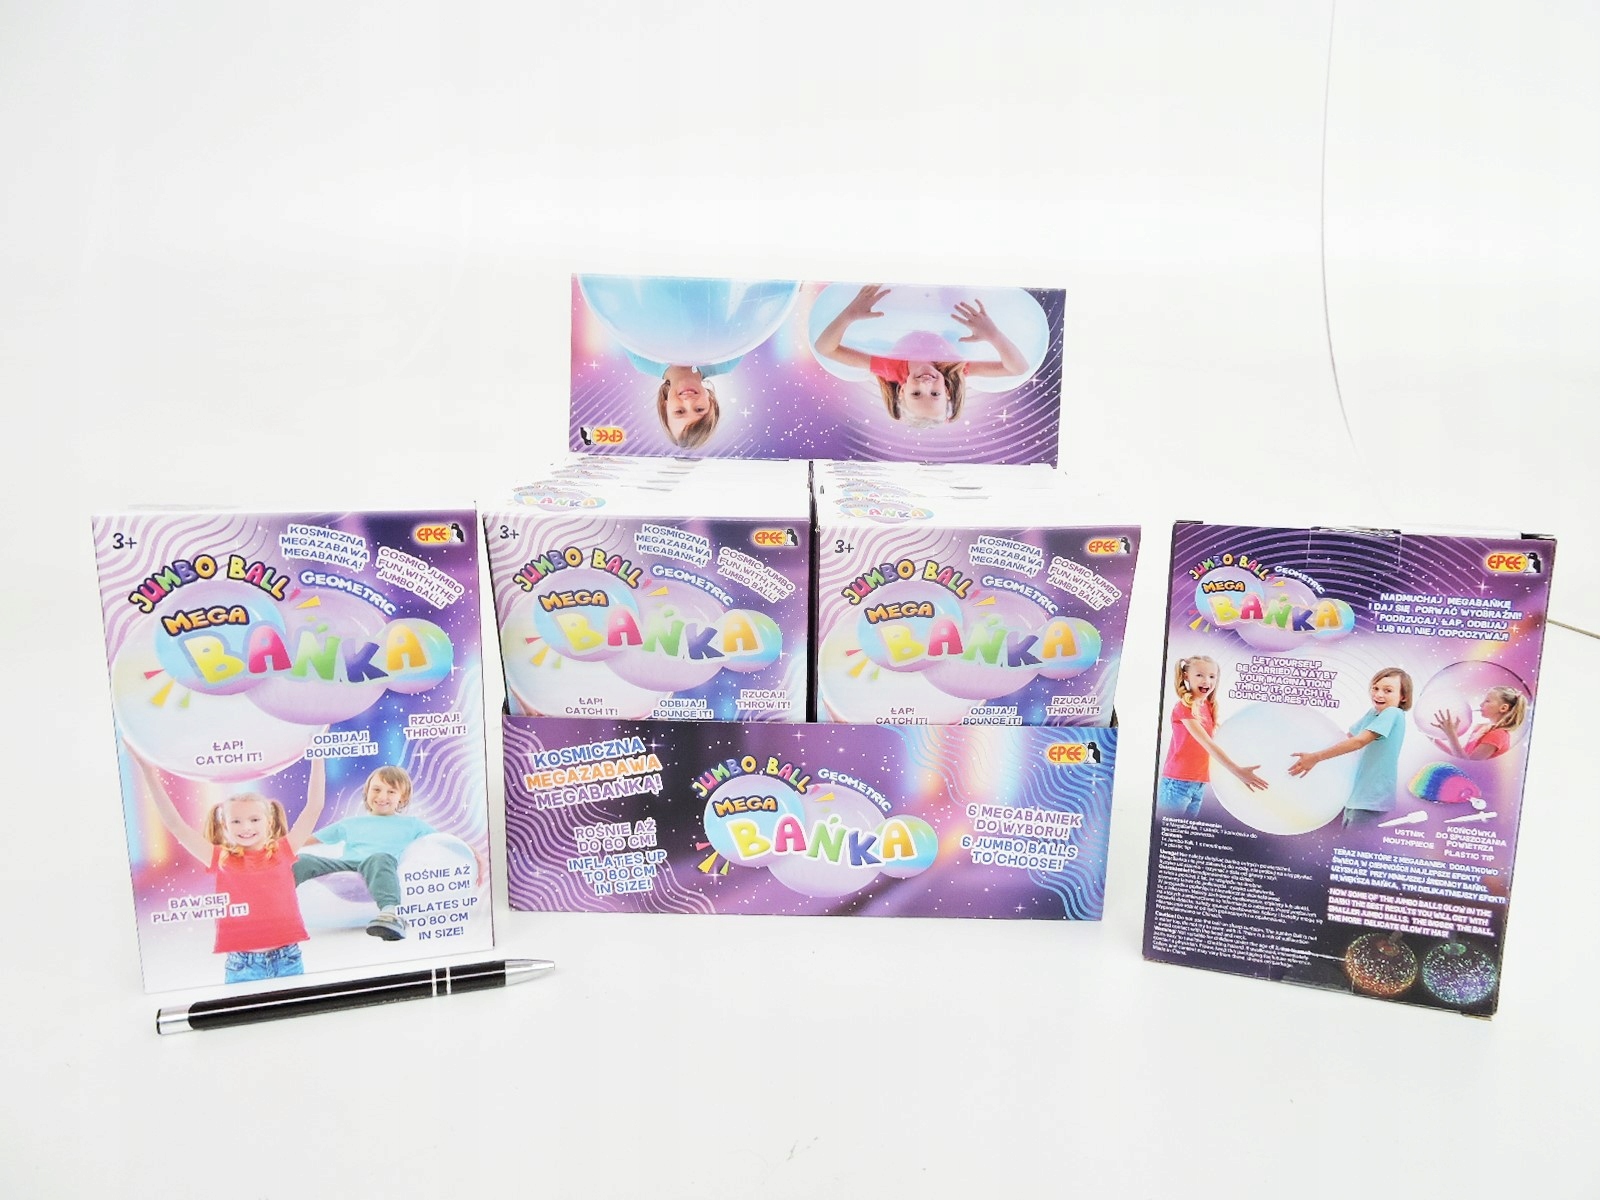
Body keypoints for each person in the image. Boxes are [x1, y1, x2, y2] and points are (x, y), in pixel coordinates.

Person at [133, 751, 325, 983]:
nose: (246, 827)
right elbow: (175, 825)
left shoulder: (285, 849)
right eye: (236, 821)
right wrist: (148, 771)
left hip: (288, 961)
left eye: (254, 819)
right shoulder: (221, 858)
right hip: (243, 967)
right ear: (225, 827)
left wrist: (317, 755)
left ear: (269, 822)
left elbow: (314, 806)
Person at [293, 764, 484, 941]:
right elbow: (304, 840)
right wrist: (278, 846)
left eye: (391, 792)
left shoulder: (412, 824)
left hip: (381, 864)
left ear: (402, 798)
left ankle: (389, 914)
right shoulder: (350, 823)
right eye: (376, 790)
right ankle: (278, 907)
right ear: (367, 792)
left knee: (380, 858)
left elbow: (443, 841)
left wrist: (472, 851)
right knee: (301, 860)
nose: (382, 796)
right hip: (347, 864)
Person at [813, 285, 1030, 425]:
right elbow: (1018, 369)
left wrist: (850, 314)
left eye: (916, 394)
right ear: (947, 391)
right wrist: (992, 334)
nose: (926, 384)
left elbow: (825, 349)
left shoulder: (889, 367)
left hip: (901, 324)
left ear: (902, 391)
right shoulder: (955, 368)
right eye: (935, 394)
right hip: (946, 326)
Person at [1290, 667, 1413, 828]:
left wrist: (1316, 757)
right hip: (1356, 797)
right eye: (1375, 688)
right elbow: (1347, 737)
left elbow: (1359, 741)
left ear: (1403, 697)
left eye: (1387, 690)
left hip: (1371, 799)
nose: (1378, 694)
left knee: (1355, 839)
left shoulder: (1393, 713)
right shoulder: (1373, 713)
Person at [1156, 655, 1267, 817]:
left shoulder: (1208, 706)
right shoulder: (1184, 707)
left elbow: (1217, 742)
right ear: (1186, 676)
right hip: (1177, 782)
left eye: (1212, 676)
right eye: (1199, 675)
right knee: (1168, 827)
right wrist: (1238, 772)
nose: (1206, 681)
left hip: (1199, 783)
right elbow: (1207, 744)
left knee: (1187, 830)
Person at [1431, 685, 1527, 760]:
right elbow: (1458, 755)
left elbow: (1468, 764)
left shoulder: (1498, 735)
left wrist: (1452, 735)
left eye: (1487, 701)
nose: (1481, 704)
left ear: (1503, 708)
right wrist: (1433, 738)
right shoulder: (1483, 729)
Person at [655, 364, 721, 448]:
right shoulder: (725, 361)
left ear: (665, 407)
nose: (688, 401)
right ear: (711, 401)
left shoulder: (645, 360)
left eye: (679, 411)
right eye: (699, 409)